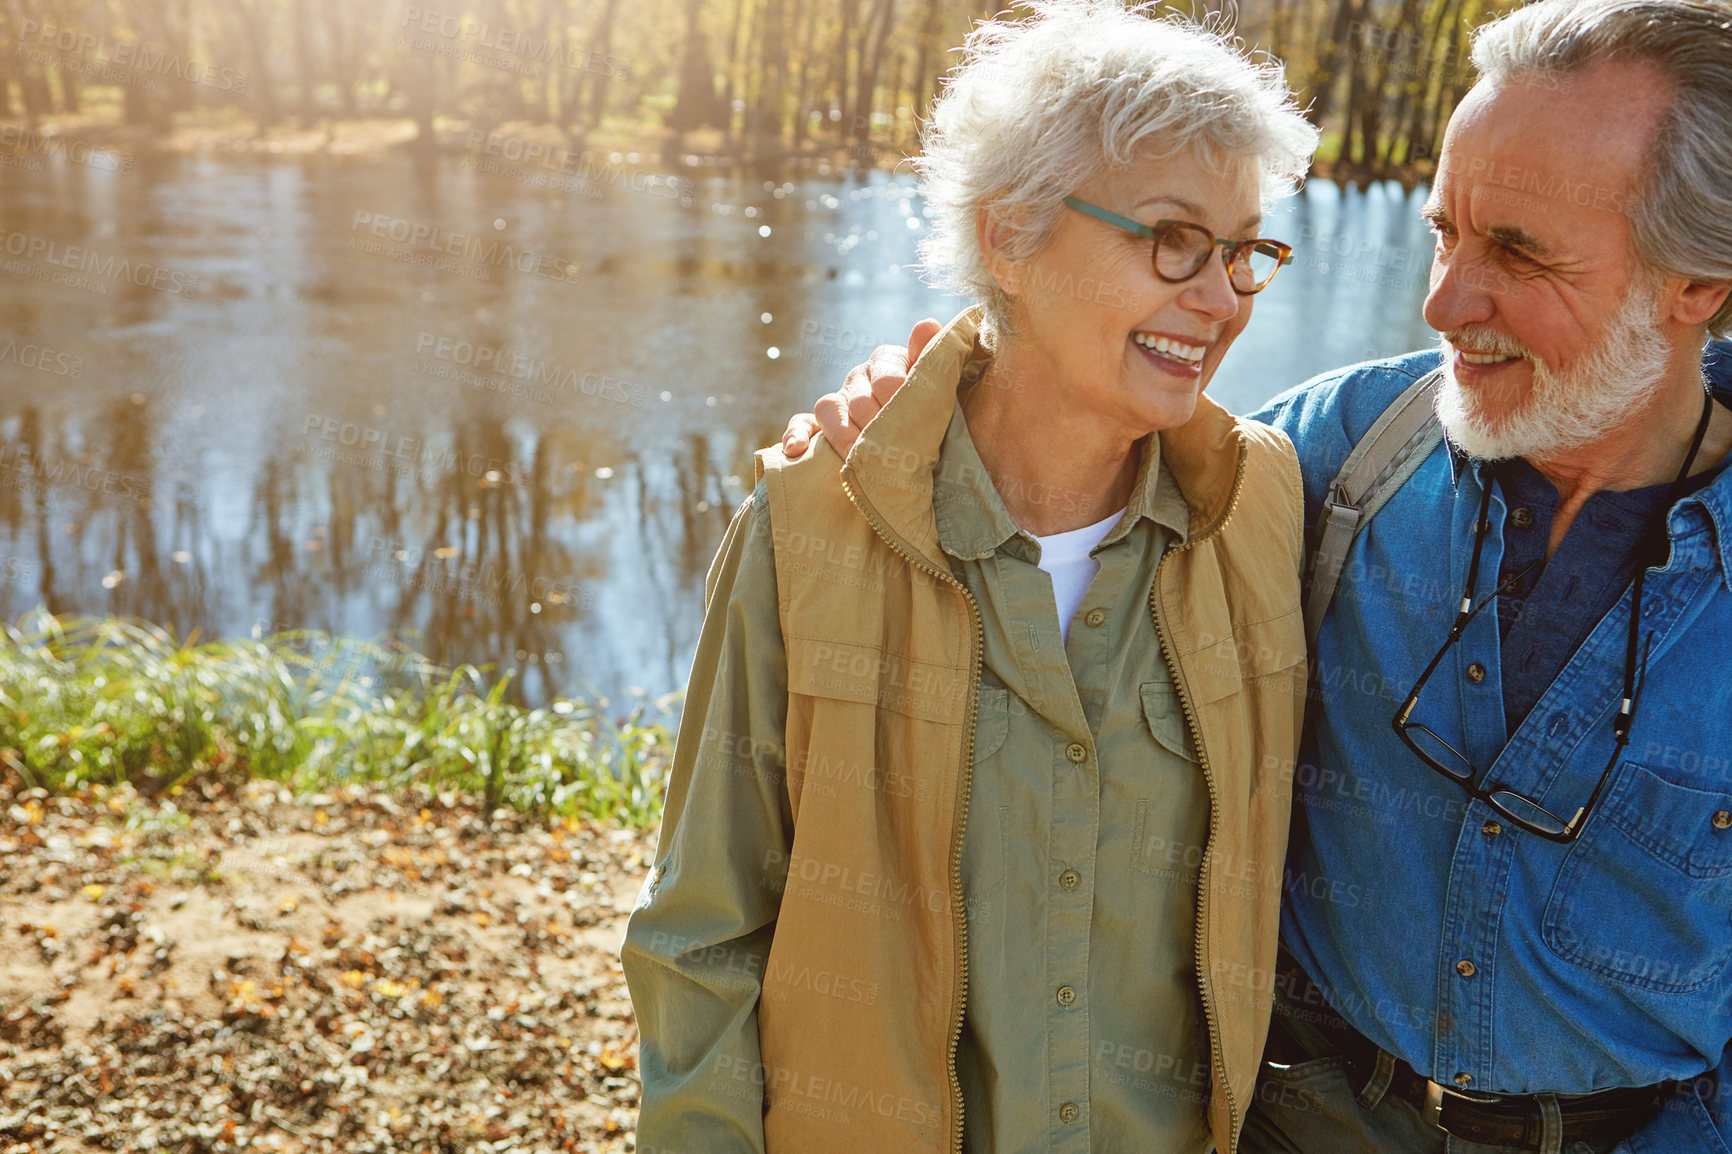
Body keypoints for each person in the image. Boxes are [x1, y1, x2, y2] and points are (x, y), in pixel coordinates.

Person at [781, 0, 1732, 1150]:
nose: (1441, 303)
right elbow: (1077, 430)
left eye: (1519, 254)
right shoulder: (1327, 458)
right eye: (1443, 233)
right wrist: (927, 399)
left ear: (1700, 285)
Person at [622, 3, 1322, 1152]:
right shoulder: (813, 521)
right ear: (1009, 236)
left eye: (1245, 249)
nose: (1223, 296)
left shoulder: (1262, 507)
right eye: (1173, 240)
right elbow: (700, 938)